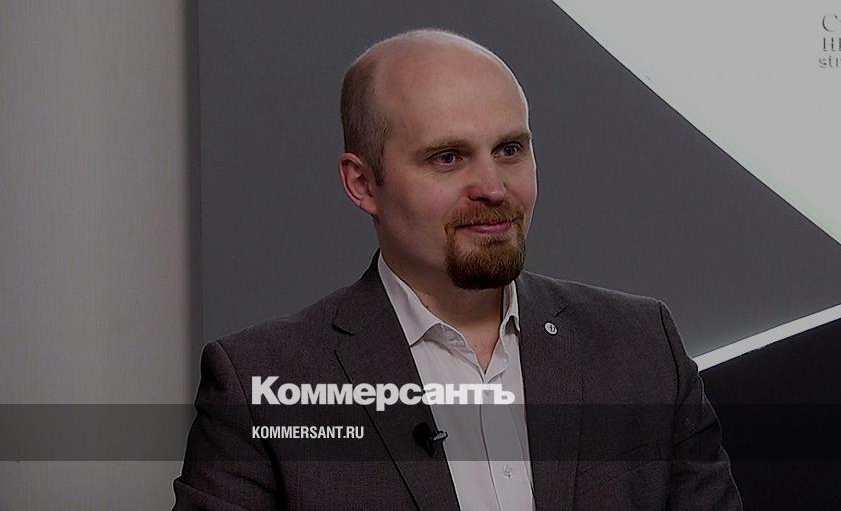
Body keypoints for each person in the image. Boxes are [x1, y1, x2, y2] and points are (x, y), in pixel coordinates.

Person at [173, 29, 742, 510]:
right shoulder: (263, 384)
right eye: (448, 158)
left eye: (510, 150)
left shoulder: (642, 346)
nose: (493, 187)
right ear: (362, 183)